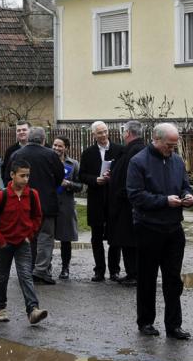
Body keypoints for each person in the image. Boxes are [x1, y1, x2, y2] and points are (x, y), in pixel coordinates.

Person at [127, 122, 193, 340]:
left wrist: (187, 196)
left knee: (173, 279)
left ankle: (174, 325)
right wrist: (164, 201)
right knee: (147, 277)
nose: (172, 149)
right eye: (169, 145)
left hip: (173, 228)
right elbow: (135, 195)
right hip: (148, 227)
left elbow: (185, 185)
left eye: (175, 145)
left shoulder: (177, 160)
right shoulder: (138, 162)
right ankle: (146, 321)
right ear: (156, 140)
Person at [0, 158, 47, 325]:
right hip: (4, 243)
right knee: (2, 276)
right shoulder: (2, 196)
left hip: (23, 243)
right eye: (22, 175)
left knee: (26, 275)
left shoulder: (32, 195)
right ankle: (0, 309)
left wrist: (29, 235)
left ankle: (33, 310)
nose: (25, 179)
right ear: (12, 175)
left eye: (28, 176)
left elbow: (37, 216)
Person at [11, 127, 64, 285]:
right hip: (46, 202)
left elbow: (9, 175)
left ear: (28, 138)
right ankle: (41, 270)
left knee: (26, 237)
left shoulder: (17, 154)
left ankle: (26, 269)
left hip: (23, 202)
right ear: (43, 139)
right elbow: (60, 176)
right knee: (46, 237)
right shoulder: (51, 155)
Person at [79, 121, 122, 282]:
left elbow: (124, 172)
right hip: (96, 198)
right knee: (96, 237)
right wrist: (95, 180)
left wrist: (112, 178)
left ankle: (114, 270)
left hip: (114, 198)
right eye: (99, 133)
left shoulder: (119, 150)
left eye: (105, 131)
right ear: (93, 135)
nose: (103, 135)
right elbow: (82, 175)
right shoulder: (88, 153)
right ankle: (99, 270)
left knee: (115, 236)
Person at [107, 120, 146, 285]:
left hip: (127, 202)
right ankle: (132, 272)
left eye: (124, 132)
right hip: (125, 201)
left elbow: (129, 176)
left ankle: (134, 273)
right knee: (126, 239)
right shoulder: (134, 149)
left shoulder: (135, 150)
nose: (123, 135)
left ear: (128, 133)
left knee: (129, 240)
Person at [51, 136, 84, 279]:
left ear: (66, 148)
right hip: (49, 203)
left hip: (66, 205)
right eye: (55, 145)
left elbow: (80, 186)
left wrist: (69, 184)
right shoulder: (47, 160)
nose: (56, 148)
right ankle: (46, 266)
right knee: (47, 238)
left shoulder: (74, 164)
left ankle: (65, 268)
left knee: (65, 239)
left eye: (60, 146)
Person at [0, 120, 31, 187]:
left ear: (30, 131)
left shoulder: (38, 148)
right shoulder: (10, 150)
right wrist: (7, 185)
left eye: (24, 130)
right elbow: (5, 169)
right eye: (18, 130)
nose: (21, 132)